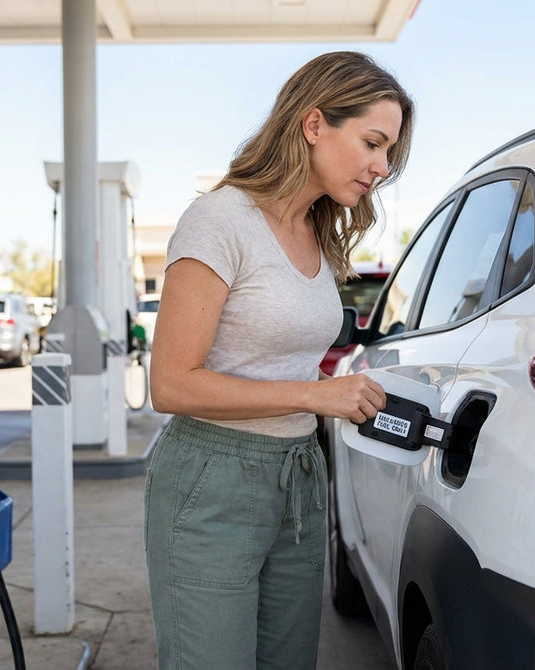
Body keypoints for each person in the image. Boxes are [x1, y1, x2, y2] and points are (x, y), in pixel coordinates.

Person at [144, 50, 414, 670]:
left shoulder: (319, 232)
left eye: (390, 154)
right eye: (373, 143)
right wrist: (314, 397)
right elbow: (171, 384)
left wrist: (337, 388)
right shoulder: (220, 220)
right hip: (212, 478)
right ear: (314, 124)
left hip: (297, 475)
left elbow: (274, 359)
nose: (380, 168)